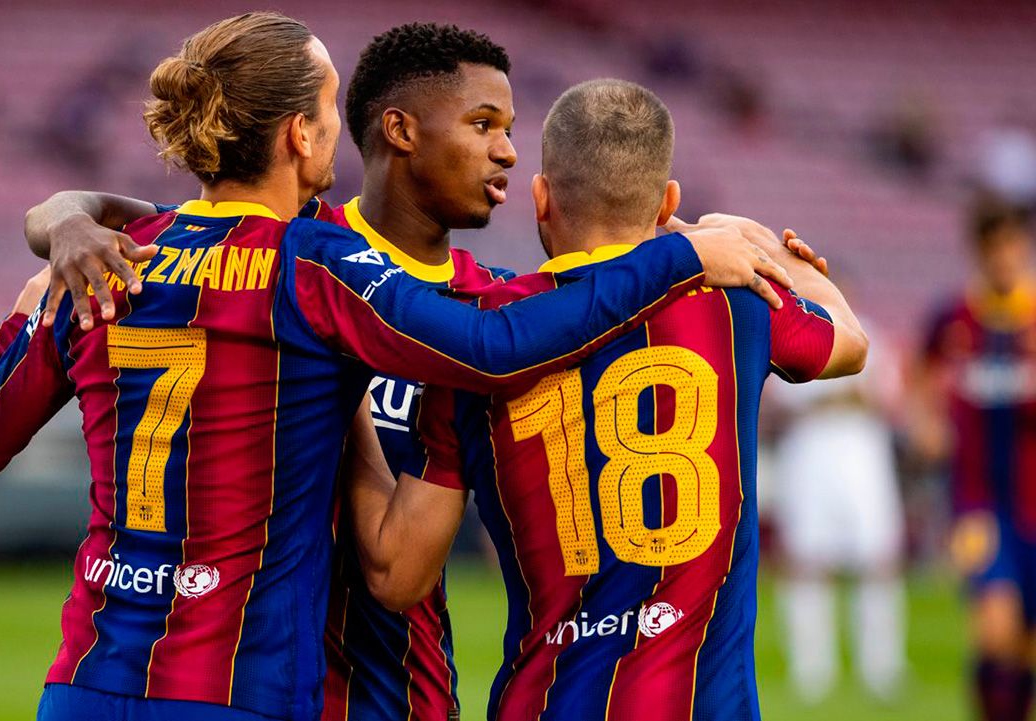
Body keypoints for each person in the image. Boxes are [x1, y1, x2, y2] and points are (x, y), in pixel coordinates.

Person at [0, 13, 788, 721]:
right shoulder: (315, 265)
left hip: (85, 679)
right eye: (329, 106)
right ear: (298, 133)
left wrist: (52, 246)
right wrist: (680, 259)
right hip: (238, 683)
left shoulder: (107, 263)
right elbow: (495, 349)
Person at [343, 79, 868, 721]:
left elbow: (396, 578)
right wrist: (772, 253)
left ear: (540, 198)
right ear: (668, 200)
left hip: (545, 702)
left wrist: (343, 405)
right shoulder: (737, 305)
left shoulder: (475, 342)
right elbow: (852, 344)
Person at [917, 200, 1036, 721]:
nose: (1008, 258)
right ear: (981, 251)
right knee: (995, 628)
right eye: (998, 248)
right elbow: (919, 373)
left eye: (1016, 246)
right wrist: (927, 423)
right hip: (977, 501)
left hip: (1034, 502)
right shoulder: (954, 317)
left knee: (1023, 643)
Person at [769, 315, 906, 704]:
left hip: (862, 454)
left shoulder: (872, 335)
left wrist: (835, 396)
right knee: (807, 561)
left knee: (878, 558)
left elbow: (884, 397)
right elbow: (783, 397)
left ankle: (882, 665)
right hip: (810, 453)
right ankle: (811, 668)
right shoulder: (795, 335)